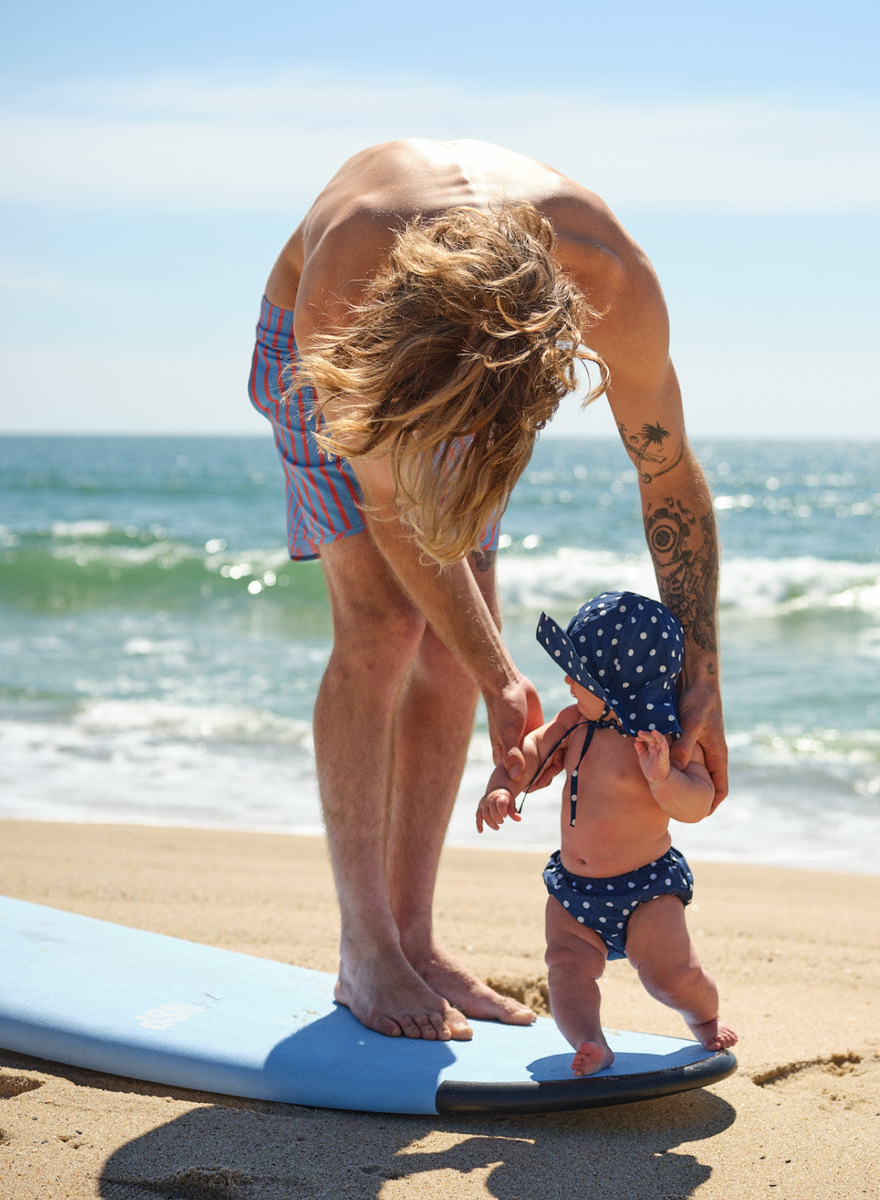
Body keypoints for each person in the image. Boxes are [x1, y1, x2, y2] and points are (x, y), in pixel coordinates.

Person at [248, 139, 727, 1043]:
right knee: (387, 626)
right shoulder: (346, 280)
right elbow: (392, 507)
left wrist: (704, 678)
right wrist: (508, 679)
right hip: (342, 357)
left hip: (471, 368)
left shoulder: (614, 283)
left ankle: (417, 941)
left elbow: (666, 474)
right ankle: (367, 945)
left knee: (459, 654)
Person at [475, 590, 737, 1075]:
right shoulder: (576, 722)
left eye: (581, 675)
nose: (569, 681)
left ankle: (704, 1018)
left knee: (671, 977)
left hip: (646, 890)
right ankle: (591, 1042)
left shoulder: (665, 738)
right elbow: (531, 755)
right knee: (566, 968)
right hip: (574, 890)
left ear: (619, 685)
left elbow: (698, 804)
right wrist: (501, 789)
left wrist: (663, 777)